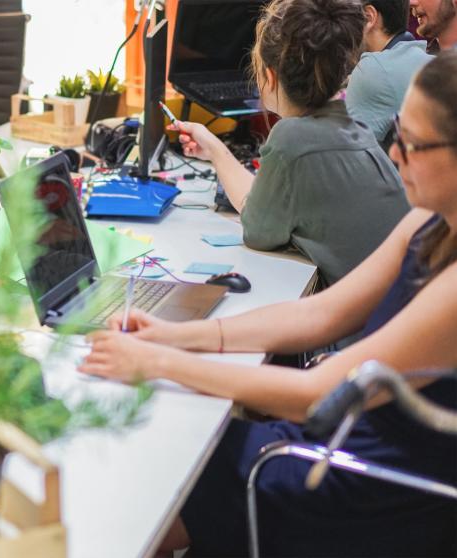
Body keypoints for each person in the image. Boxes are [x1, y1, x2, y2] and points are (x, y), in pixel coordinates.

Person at [81, 51, 457, 557]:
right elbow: (321, 313)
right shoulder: (430, 222)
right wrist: (175, 335)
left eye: (409, 144)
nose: (394, 156)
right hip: (343, 440)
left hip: (362, 484)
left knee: (161, 472)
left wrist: (156, 362)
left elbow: (318, 392)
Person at [172, 0, 409, 287]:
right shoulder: (350, 126)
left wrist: (217, 152)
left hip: (368, 324)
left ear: (270, 77)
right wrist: (215, 151)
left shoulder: (292, 137)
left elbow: (257, 230)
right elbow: (259, 208)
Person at [346, 0, 432, 146]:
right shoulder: (426, 59)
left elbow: (347, 156)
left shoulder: (374, 68)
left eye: (343, 17)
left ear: (369, 17)